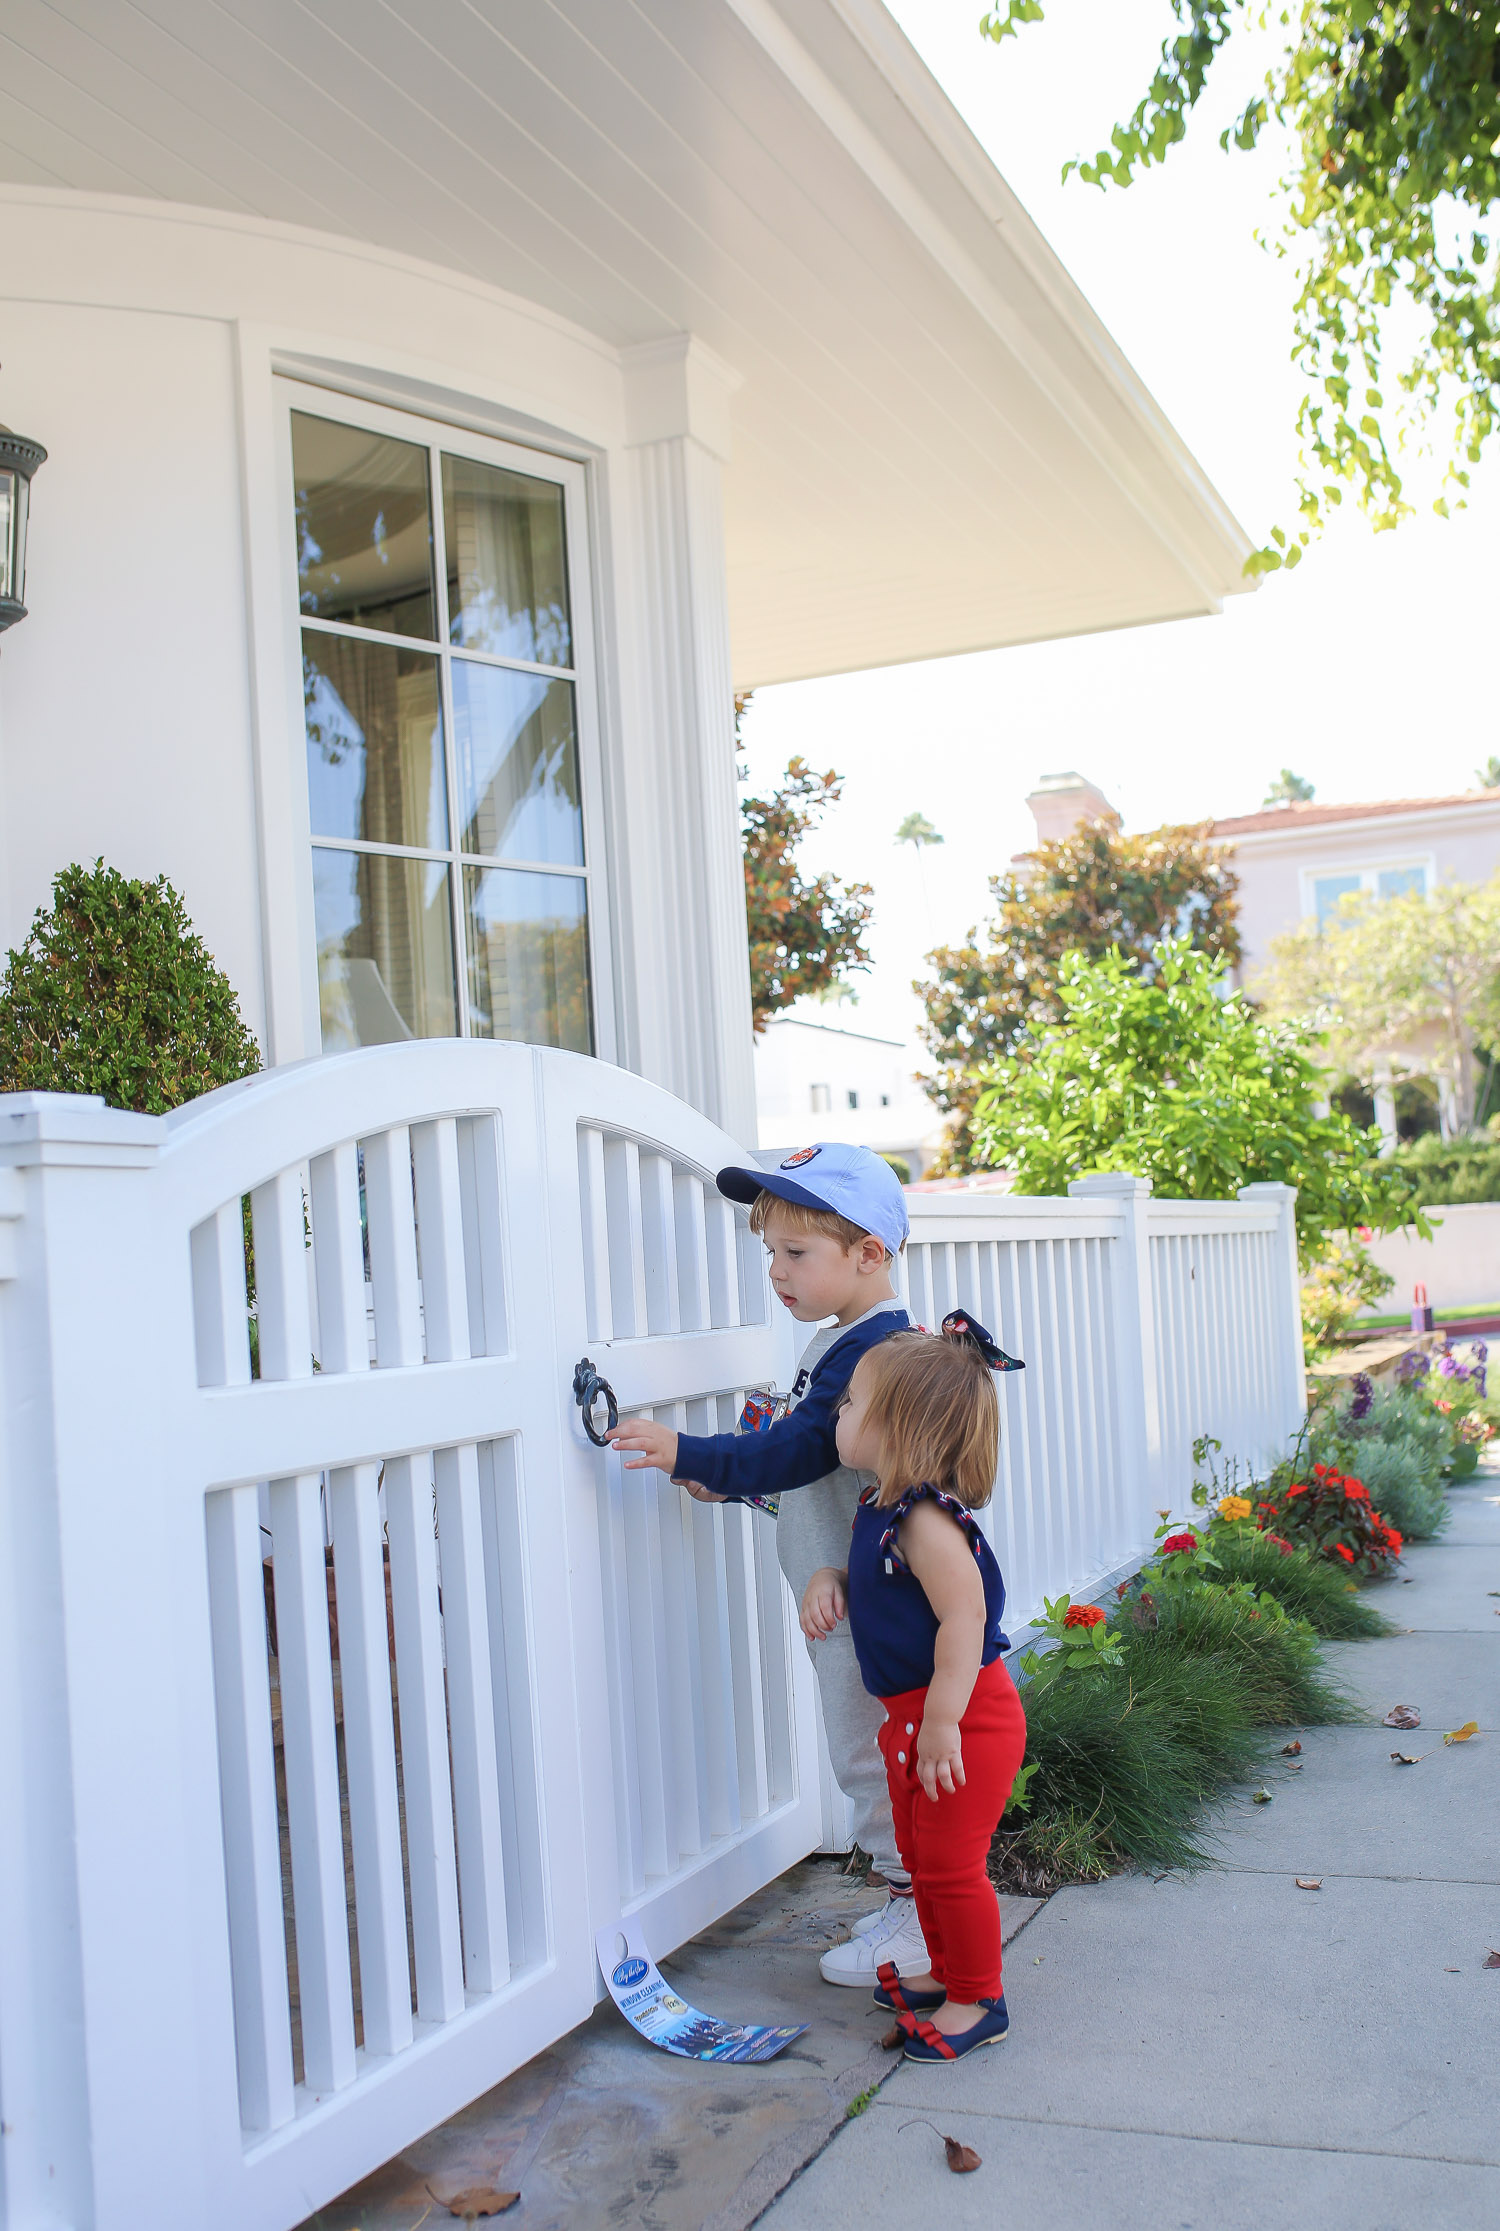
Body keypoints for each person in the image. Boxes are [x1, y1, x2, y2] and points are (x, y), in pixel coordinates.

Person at [606, 1142, 928, 1986]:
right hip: (843, 1592)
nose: (777, 1272)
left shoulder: (876, 1354)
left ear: (869, 1253)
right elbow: (820, 1469)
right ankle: (918, 1900)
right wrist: (738, 1485)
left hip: (866, 1606)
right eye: (769, 1253)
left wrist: (694, 1451)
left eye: (796, 1253)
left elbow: (793, 1449)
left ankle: (924, 1920)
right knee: (865, 1749)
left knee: (869, 1752)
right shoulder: (845, 1341)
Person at [799, 1319, 1027, 2062]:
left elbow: (966, 1617)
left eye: (852, 1401)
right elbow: (875, 1581)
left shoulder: (926, 1520)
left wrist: (941, 1722)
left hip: (964, 1721)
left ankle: (978, 1997)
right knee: (921, 1856)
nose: (838, 1411)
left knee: (953, 1864)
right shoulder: (877, 1507)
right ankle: (944, 1968)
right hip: (917, 1721)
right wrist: (833, 1577)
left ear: (899, 1424)